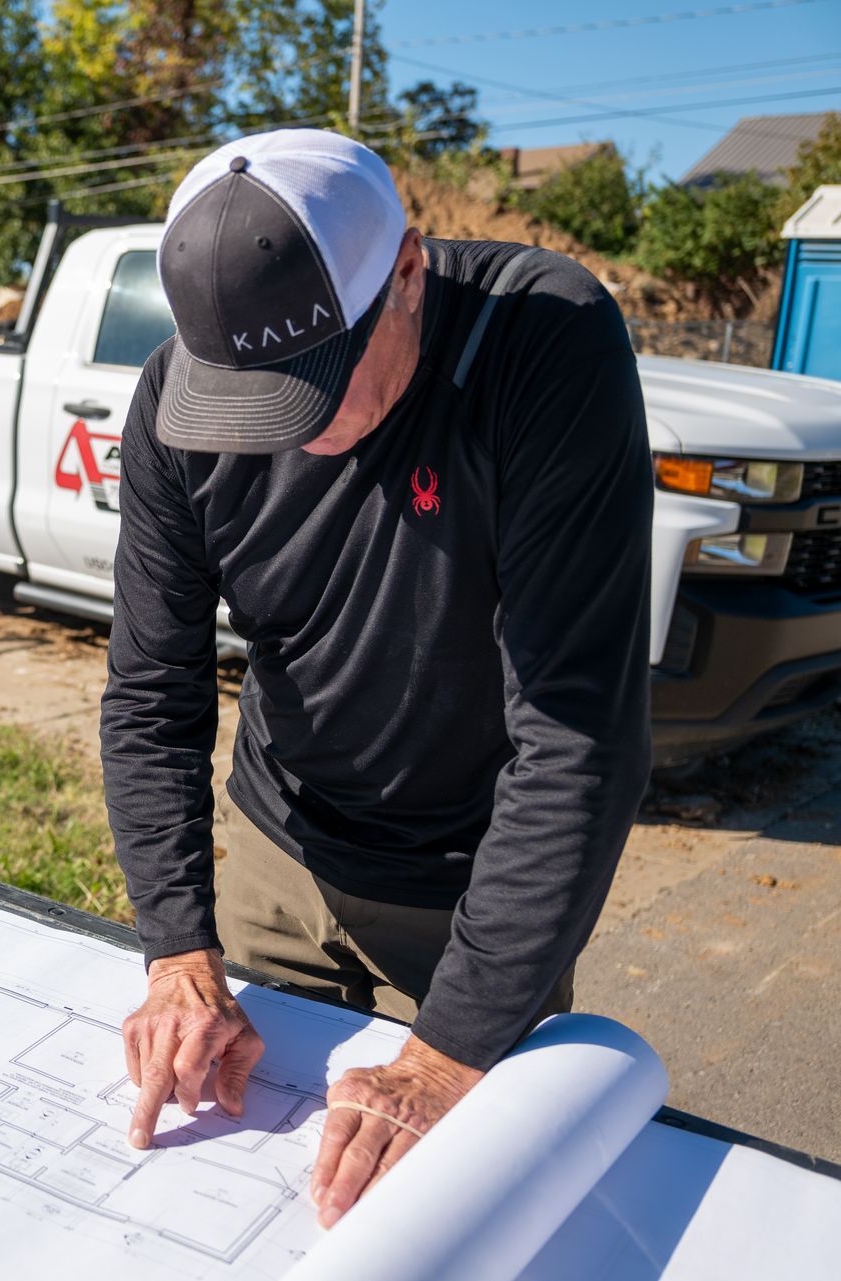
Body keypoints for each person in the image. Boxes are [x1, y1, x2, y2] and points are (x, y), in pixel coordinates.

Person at [99, 130, 652, 1228]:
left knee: (432, 1221)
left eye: (313, 384)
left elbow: (578, 734)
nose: (284, 435)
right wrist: (177, 951)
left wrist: (443, 1061)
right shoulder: (174, 403)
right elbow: (151, 691)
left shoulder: (543, 346)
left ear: (407, 271)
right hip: (280, 851)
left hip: (471, 891)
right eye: (243, 394)